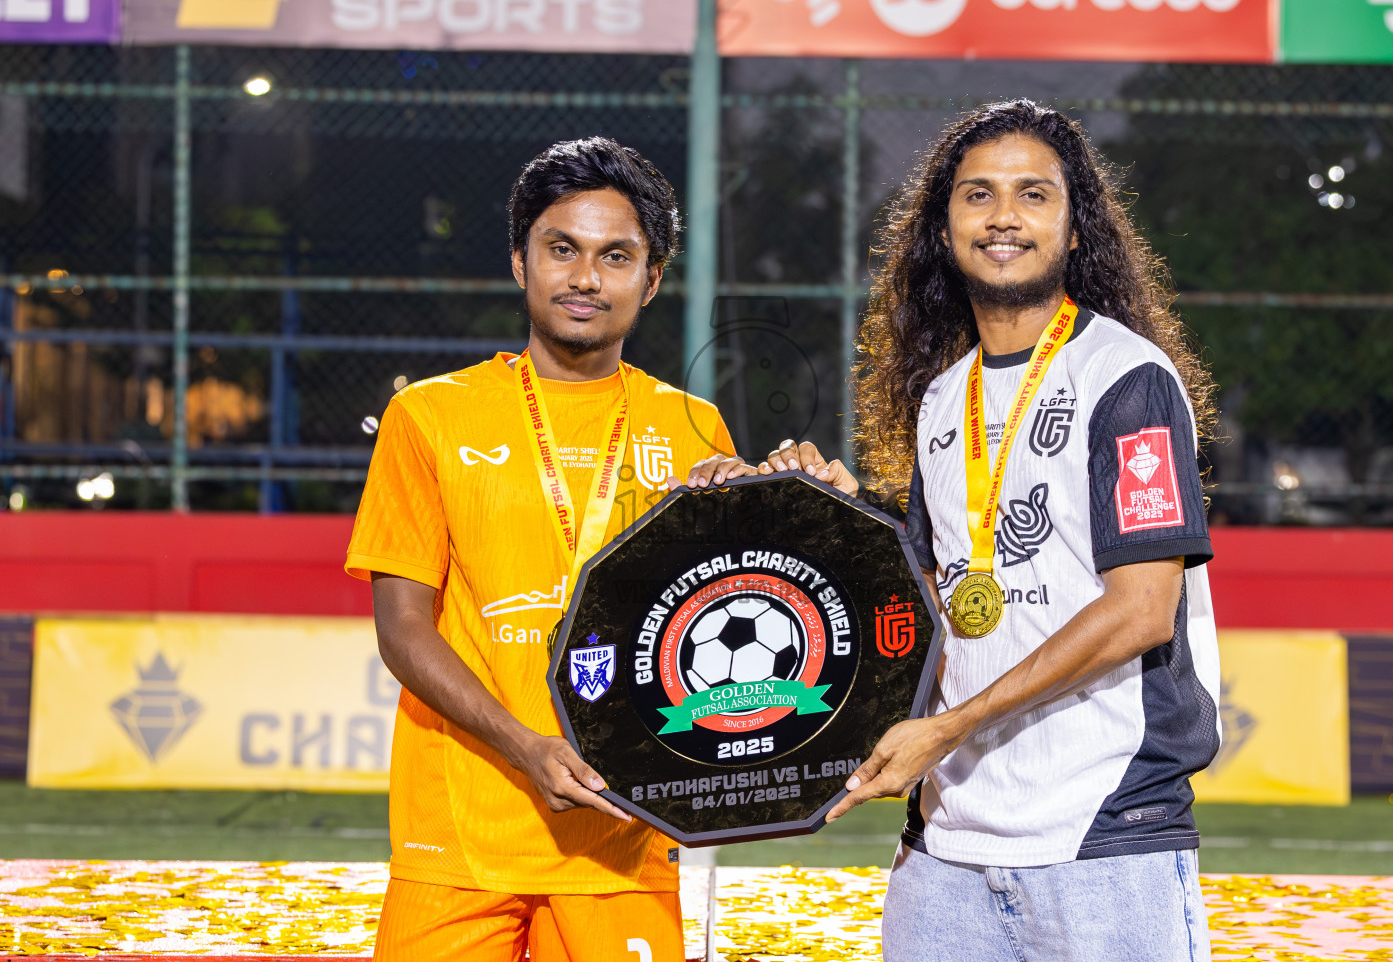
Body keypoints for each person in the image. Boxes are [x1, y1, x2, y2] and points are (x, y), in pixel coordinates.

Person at [690, 99, 1221, 961]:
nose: (1004, 215)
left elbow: (1143, 610)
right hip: (947, 850)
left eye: (1033, 195)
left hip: (1101, 837)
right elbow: (935, 600)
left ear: (1075, 228)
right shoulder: (945, 399)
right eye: (977, 195)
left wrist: (948, 727)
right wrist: (827, 517)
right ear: (944, 228)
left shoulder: (1125, 379)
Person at [346, 137, 734, 962]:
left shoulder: (695, 429)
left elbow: (725, 625)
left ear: (652, 280)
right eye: (562, 249)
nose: (586, 278)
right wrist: (526, 747)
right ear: (522, 263)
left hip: (625, 837)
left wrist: (786, 504)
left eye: (616, 257)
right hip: (457, 834)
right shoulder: (431, 418)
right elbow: (403, 629)